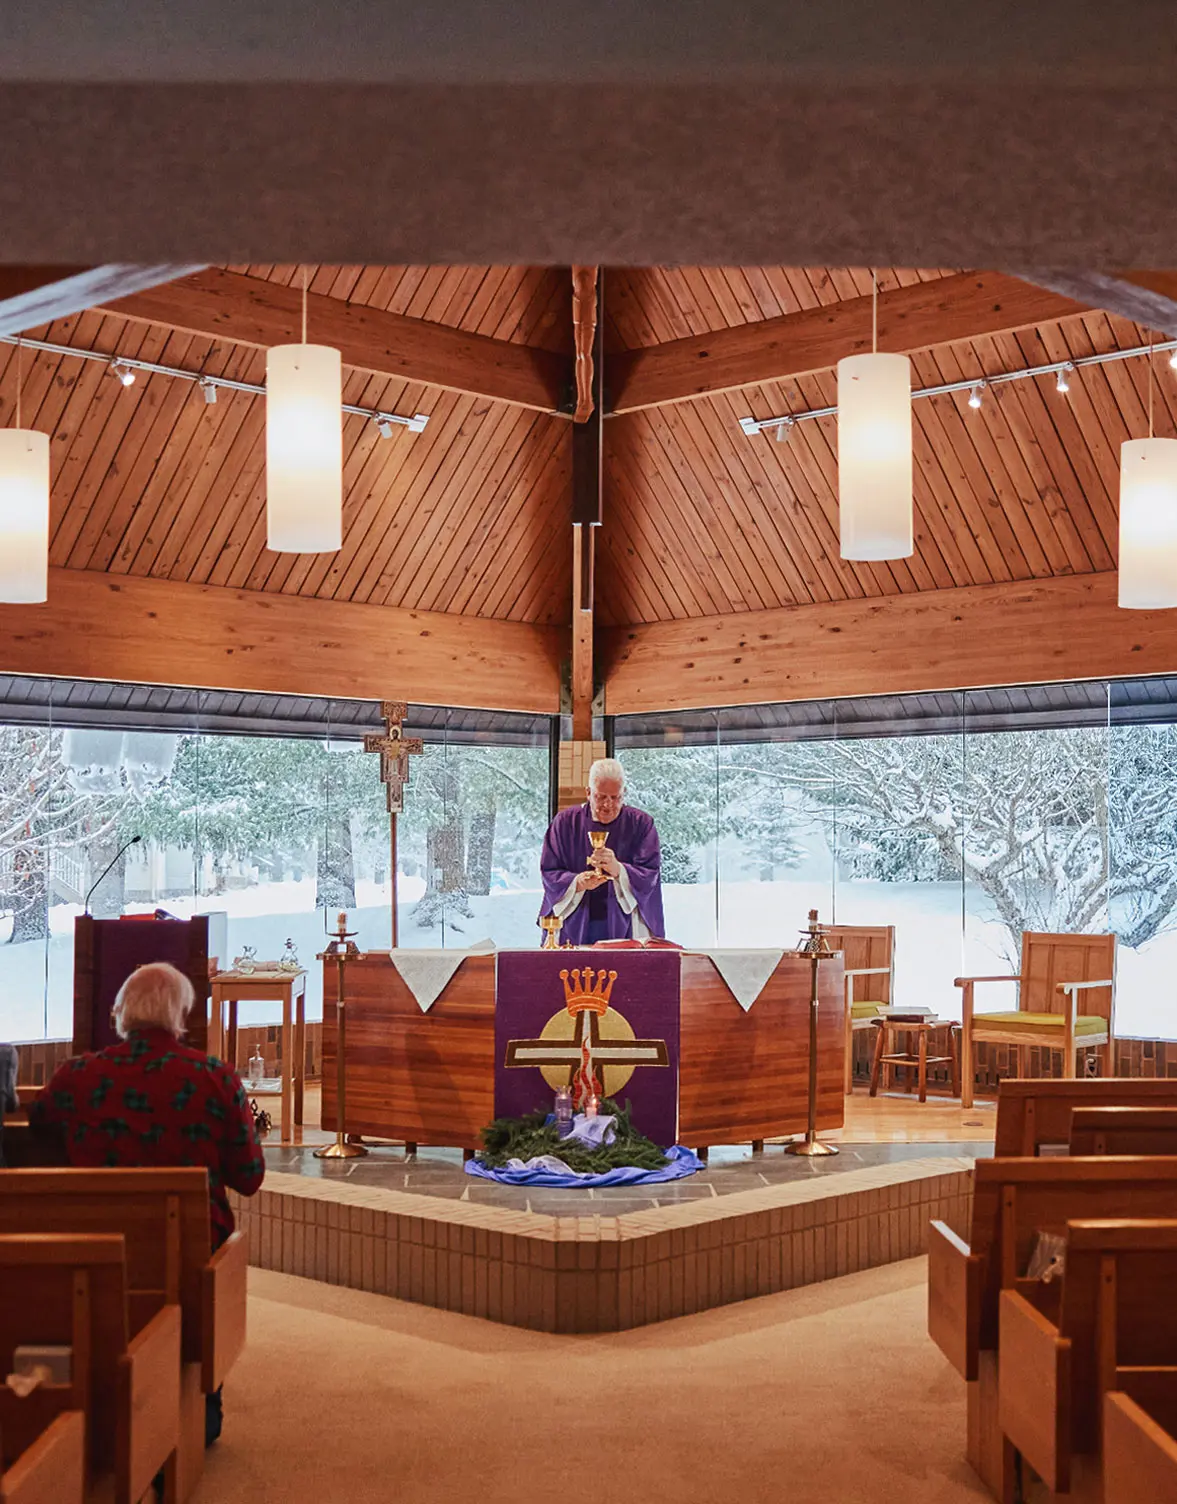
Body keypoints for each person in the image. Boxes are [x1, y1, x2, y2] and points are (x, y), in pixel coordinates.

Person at [31, 960, 264, 1447]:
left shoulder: (76, 1078)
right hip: (189, 1255)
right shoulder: (214, 1079)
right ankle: (201, 1396)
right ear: (181, 1014)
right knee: (220, 1247)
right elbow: (249, 1177)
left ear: (121, 1013)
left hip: (91, 1254)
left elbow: (37, 1140)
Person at [539, 757, 665, 943]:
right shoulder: (565, 823)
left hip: (624, 920)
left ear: (624, 793)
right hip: (575, 918)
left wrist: (619, 870)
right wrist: (577, 882)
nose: (608, 805)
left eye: (615, 797)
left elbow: (650, 873)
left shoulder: (641, 824)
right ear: (588, 793)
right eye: (601, 797)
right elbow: (549, 871)